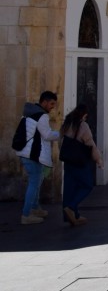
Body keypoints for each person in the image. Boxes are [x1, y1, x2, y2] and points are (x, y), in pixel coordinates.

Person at [16, 90, 60, 225]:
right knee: (34, 183)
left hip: (26, 153)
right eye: (51, 104)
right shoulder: (41, 116)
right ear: (44, 102)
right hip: (32, 155)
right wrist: (62, 133)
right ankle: (26, 214)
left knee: (37, 180)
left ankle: (35, 208)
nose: (53, 107)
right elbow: (46, 135)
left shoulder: (29, 113)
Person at [60, 103, 102, 226]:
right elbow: (90, 144)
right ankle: (72, 207)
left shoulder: (67, 124)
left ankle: (73, 216)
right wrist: (98, 160)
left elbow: (60, 140)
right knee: (87, 185)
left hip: (68, 160)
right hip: (79, 161)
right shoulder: (83, 126)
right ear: (84, 115)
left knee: (69, 188)